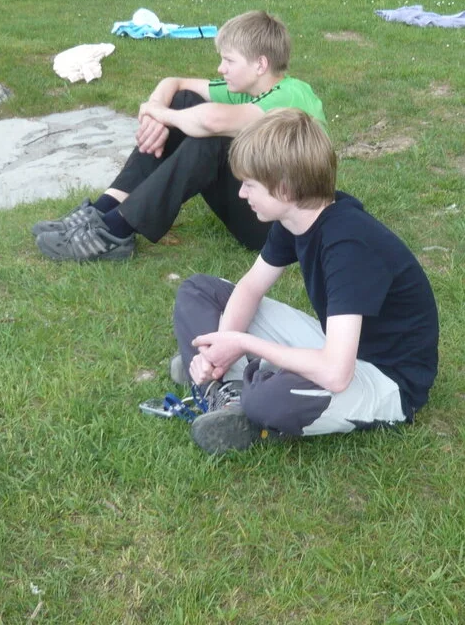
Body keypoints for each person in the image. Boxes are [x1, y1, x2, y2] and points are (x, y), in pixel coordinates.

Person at [171, 108, 439, 454]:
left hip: (386, 380)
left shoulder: (348, 245)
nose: (241, 194)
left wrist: (242, 342)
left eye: (249, 184)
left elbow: (336, 373)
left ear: (284, 189)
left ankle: (237, 388)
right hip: (339, 346)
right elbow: (251, 287)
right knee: (200, 291)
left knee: (271, 399)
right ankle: (224, 382)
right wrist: (225, 342)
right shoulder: (296, 220)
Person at [33, 11, 326, 261]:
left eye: (229, 61)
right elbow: (175, 83)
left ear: (260, 65)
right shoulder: (251, 90)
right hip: (260, 204)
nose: (220, 69)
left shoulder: (291, 94)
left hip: (284, 223)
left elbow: (211, 122)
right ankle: (104, 209)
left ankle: (116, 230)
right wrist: (156, 109)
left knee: (213, 139)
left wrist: (162, 116)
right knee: (185, 101)